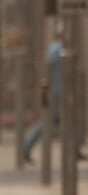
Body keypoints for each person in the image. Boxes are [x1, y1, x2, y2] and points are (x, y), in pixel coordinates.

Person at [22, 33, 65, 164]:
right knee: (47, 121)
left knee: (49, 120)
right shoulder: (59, 50)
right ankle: (26, 147)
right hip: (56, 91)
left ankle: (26, 147)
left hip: (51, 90)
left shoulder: (53, 48)